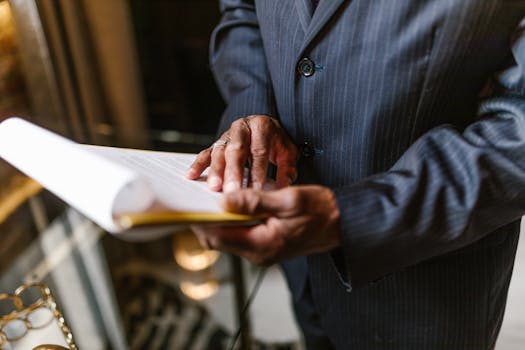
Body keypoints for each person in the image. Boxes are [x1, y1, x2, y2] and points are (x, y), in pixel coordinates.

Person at [187, 1, 525, 349]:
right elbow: (243, 13)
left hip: (424, 284)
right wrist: (255, 107)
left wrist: (350, 218)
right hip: (302, 266)